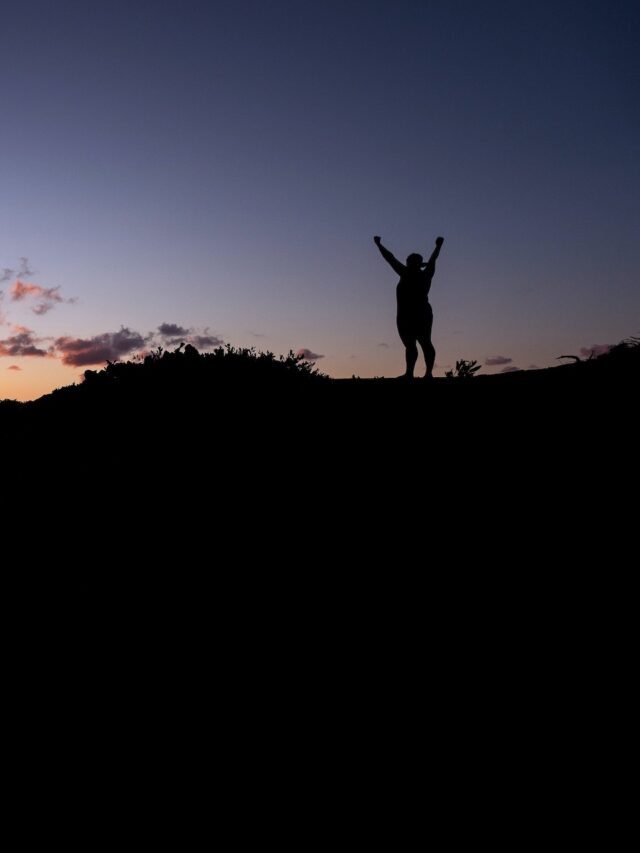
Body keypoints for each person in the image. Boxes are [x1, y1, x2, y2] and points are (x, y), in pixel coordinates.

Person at [374, 235, 444, 379]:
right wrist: (438, 246)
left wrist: (379, 245)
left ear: (410, 264)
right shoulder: (426, 273)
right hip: (414, 313)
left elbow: (390, 258)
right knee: (420, 344)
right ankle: (418, 373)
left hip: (411, 315)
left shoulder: (405, 273)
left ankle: (420, 373)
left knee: (418, 344)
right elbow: (433, 259)